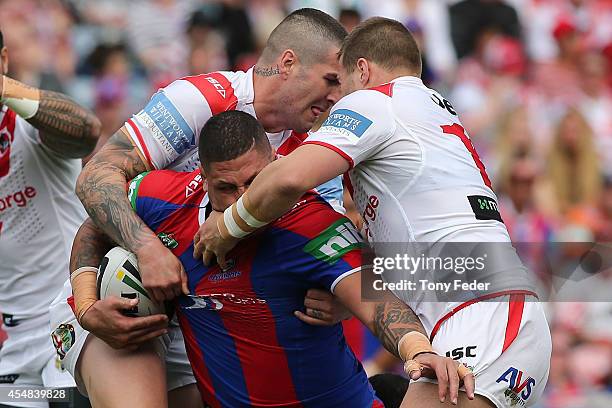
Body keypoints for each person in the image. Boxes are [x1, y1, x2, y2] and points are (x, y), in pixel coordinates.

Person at [197, 18, 552, 408]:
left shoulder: (375, 102)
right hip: (494, 311)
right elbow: (421, 243)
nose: (334, 99)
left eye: (340, 82)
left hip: (479, 314)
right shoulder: (429, 113)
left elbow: (287, 178)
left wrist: (226, 227)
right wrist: (349, 297)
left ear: (363, 70)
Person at [66, 110, 472, 407]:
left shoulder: (311, 223)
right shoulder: (163, 198)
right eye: (226, 187)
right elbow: (96, 225)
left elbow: (376, 300)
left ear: (275, 167)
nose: (244, 197)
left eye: (255, 181)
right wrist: (88, 301)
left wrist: (418, 351)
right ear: (203, 180)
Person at [75, 7, 347, 307]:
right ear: (288, 63)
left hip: (219, 315)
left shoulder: (316, 150)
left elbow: (332, 250)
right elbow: (94, 177)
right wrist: (146, 249)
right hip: (136, 296)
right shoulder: (198, 100)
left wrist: (341, 300)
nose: (337, 95)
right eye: (331, 80)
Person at [0, 29, 100, 407]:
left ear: (5, 62)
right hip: (14, 352)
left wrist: (7, 90)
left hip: (72, 324)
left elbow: (87, 131)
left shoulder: (30, 123)